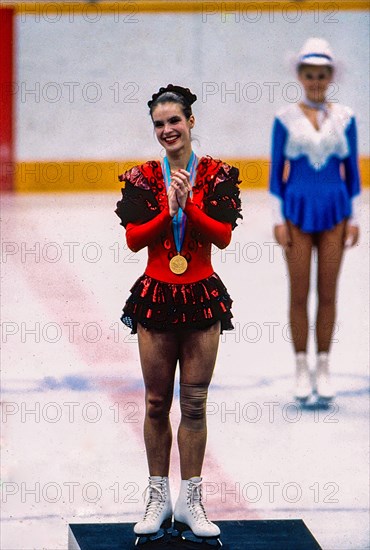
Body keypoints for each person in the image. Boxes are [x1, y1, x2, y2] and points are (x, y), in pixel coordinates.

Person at [115, 84, 242, 545]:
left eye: (175, 120)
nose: (168, 129)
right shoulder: (144, 177)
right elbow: (134, 240)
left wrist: (189, 205)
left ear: (191, 121)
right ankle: (157, 495)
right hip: (156, 295)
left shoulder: (217, 174)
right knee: (154, 402)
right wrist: (167, 210)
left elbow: (223, 237)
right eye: (159, 124)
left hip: (201, 294)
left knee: (193, 402)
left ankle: (191, 500)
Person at [269, 38, 361, 402]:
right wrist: (277, 218)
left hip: (336, 212)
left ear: (330, 76)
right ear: (300, 76)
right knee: (298, 292)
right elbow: (276, 172)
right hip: (296, 211)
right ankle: (300, 366)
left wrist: (354, 217)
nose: (316, 81)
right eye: (310, 75)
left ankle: (323, 366)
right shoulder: (284, 119)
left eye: (322, 75)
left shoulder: (346, 118)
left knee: (328, 292)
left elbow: (352, 172)